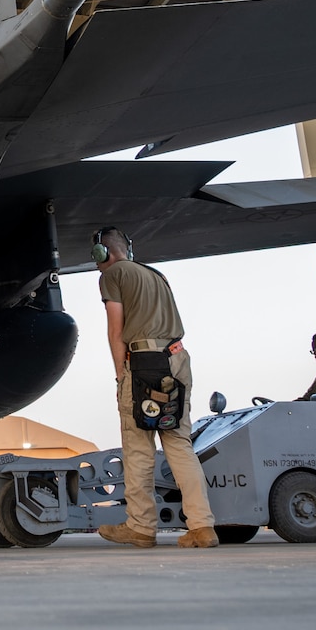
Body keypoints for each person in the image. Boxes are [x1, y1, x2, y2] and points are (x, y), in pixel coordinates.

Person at [92, 227, 217, 549]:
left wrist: (121, 375)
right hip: (177, 358)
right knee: (179, 444)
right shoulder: (155, 274)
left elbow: (115, 329)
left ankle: (141, 527)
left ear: (101, 254)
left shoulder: (112, 275)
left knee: (138, 449)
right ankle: (202, 527)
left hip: (144, 362)